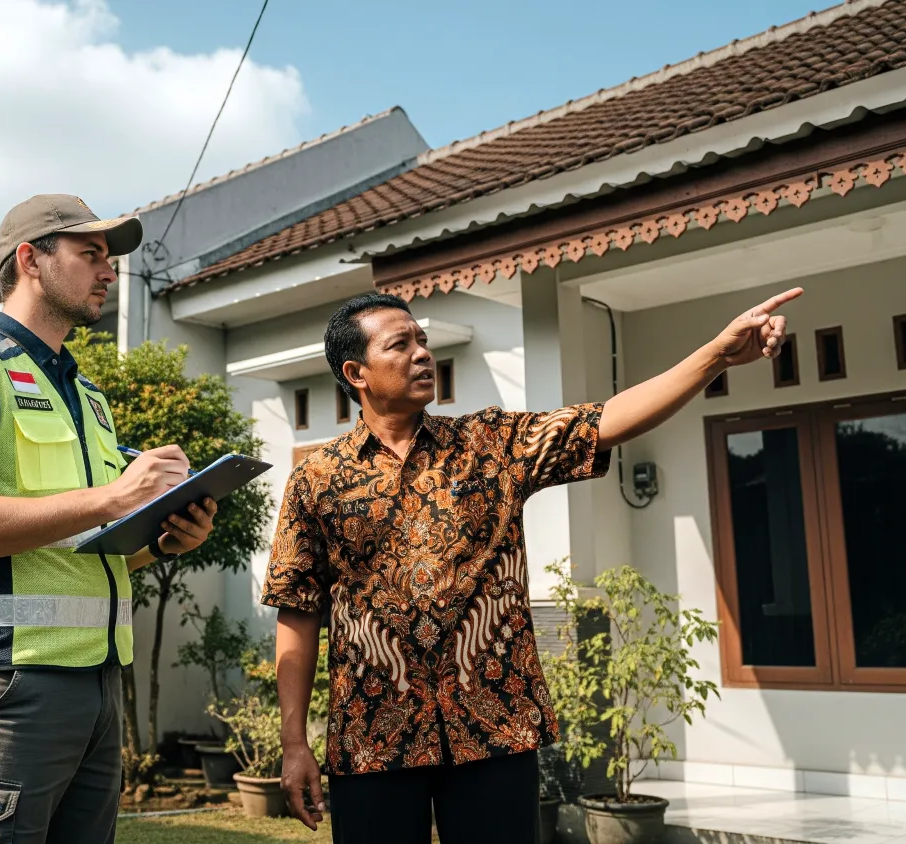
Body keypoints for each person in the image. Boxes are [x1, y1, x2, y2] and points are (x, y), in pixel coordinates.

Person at [264, 287, 802, 843]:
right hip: (373, 735)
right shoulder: (316, 480)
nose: (422, 353)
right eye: (401, 345)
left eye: (423, 340)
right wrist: (294, 743)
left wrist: (714, 354)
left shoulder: (490, 443)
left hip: (493, 727)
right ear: (357, 372)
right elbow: (297, 614)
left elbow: (607, 420)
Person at [0, 194, 219, 844]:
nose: (109, 272)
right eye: (91, 255)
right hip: (5, 686)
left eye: (109, 259)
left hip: (98, 686)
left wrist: (161, 541)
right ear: (31, 260)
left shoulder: (88, 397)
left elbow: (81, 545)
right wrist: (113, 498)